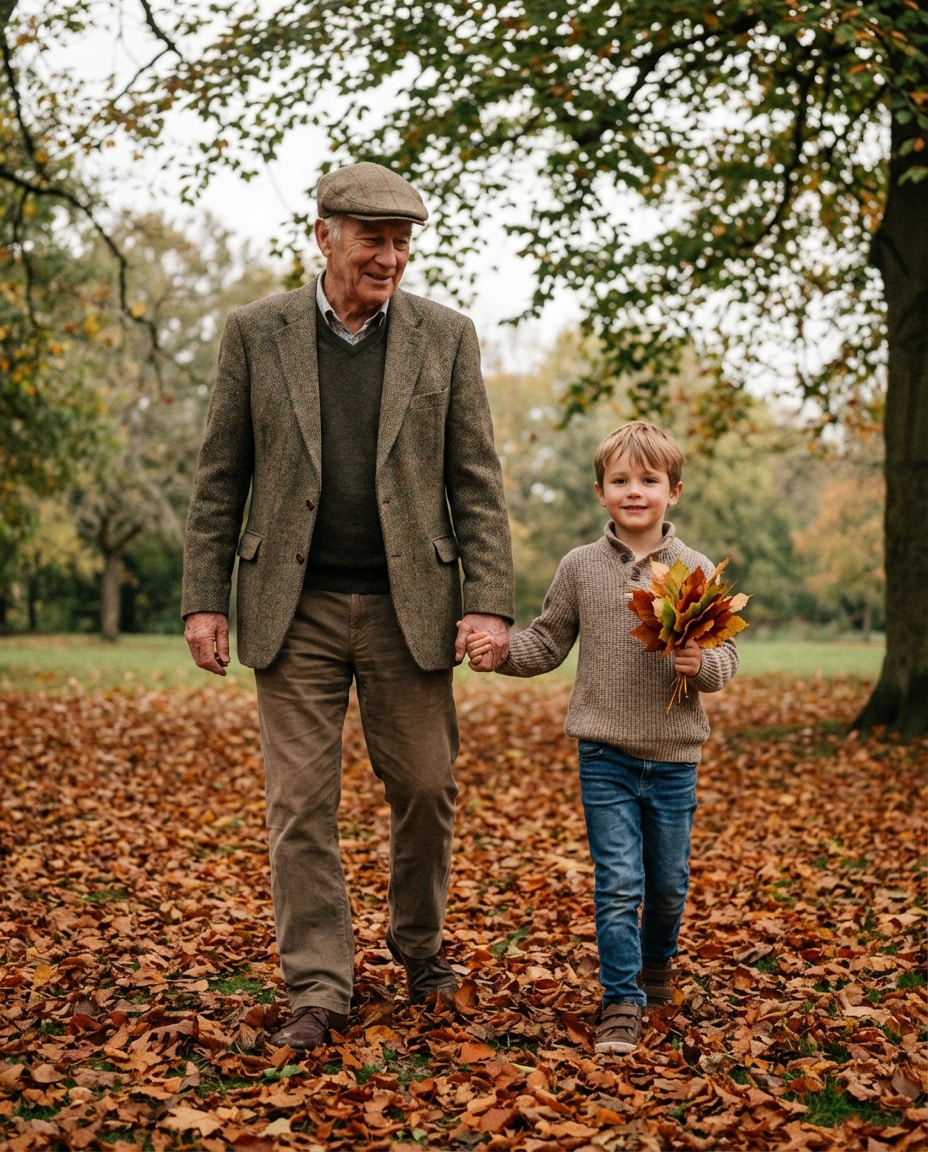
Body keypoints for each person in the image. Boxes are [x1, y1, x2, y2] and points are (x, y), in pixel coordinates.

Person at [182, 161, 513, 1052]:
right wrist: (203, 600)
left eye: (403, 243)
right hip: (294, 610)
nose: (391, 258)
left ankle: (422, 953)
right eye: (374, 239)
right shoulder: (257, 332)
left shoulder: (447, 337)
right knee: (299, 805)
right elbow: (222, 476)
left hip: (413, 609)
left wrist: (487, 602)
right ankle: (320, 988)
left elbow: (475, 482)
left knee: (426, 788)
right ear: (324, 233)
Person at [466, 421, 739, 1056]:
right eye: (621, 480)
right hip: (605, 755)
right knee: (619, 881)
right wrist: (501, 652)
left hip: (674, 758)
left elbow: (726, 661)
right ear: (600, 491)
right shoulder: (581, 567)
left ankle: (655, 965)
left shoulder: (695, 570)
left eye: (649, 480)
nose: (634, 491)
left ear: (674, 491)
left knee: (668, 884)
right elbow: (546, 641)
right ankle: (620, 999)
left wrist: (706, 667)